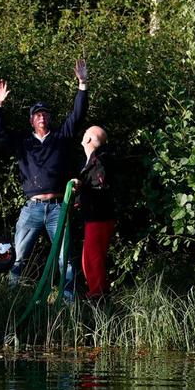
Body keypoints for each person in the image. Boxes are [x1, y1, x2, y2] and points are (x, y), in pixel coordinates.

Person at [0, 59, 89, 295]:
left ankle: (67, 301)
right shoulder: (23, 143)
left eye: (45, 113)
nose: (42, 117)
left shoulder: (61, 137)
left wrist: (83, 84)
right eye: (37, 114)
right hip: (32, 209)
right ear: (31, 120)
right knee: (19, 255)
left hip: (59, 207)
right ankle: (12, 298)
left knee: (64, 258)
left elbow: (77, 116)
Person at [72, 126, 115, 298]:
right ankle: (99, 292)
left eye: (84, 134)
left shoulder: (99, 160)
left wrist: (82, 188)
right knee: (91, 258)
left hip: (99, 216)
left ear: (88, 140)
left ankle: (98, 297)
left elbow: (100, 186)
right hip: (97, 216)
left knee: (92, 259)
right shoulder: (94, 160)